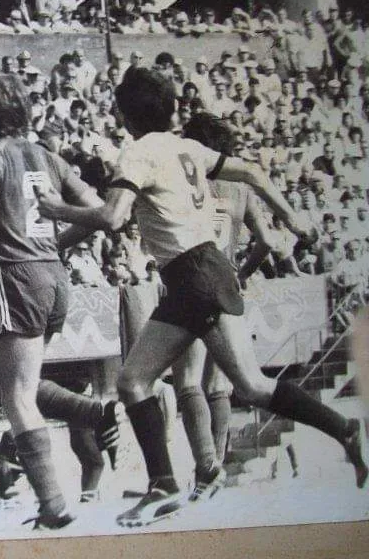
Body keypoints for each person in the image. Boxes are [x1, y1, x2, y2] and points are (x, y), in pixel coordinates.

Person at [35, 67, 368, 528]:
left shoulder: (138, 154)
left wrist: (56, 210)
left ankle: (164, 485)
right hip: (208, 269)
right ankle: (344, 429)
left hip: (192, 274)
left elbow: (112, 218)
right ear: (171, 109)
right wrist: (292, 219)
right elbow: (252, 171)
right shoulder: (184, 147)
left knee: (138, 383)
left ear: (125, 117)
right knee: (245, 385)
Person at [0, 73, 120, 530]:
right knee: (9, 387)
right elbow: (98, 210)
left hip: (16, 276)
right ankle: (94, 412)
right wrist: (56, 242)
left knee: (16, 395)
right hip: (55, 276)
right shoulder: (47, 157)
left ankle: (53, 503)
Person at [169, 112, 282, 502]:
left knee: (188, 382)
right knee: (219, 386)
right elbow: (267, 241)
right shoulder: (240, 187)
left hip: (191, 282)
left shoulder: (186, 180)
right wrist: (243, 273)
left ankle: (206, 469)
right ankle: (217, 463)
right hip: (227, 285)